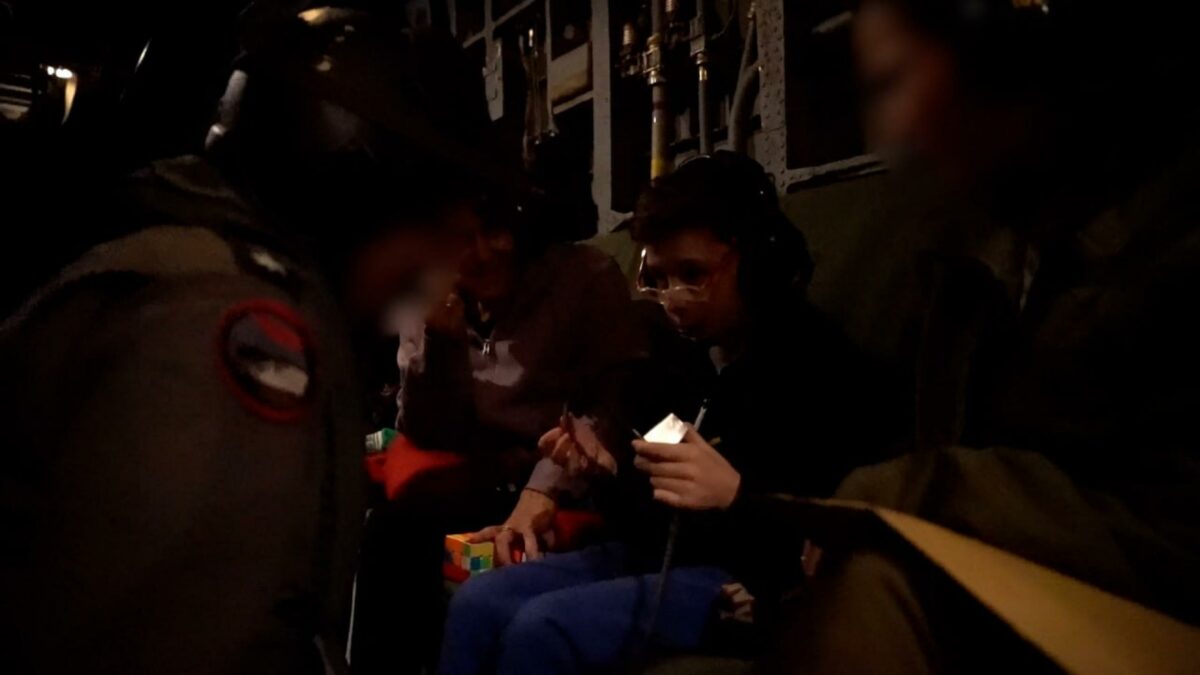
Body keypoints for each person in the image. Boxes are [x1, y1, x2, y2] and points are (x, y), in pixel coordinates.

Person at [0, 8, 512, 673]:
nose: (448, 262)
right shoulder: (229, 325)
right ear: (360, 196)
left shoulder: (193, 264)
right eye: (439, 225)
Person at [754, 0, 1200, 672]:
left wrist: (907, 492)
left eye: (894, 82)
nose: (886, 130)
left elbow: (1175, 520)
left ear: (1001, 51)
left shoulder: (1168, 225)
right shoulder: (969, 256)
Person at [438, 151, 901, 675]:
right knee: (478, 603)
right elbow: (646, 518)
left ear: (757, 264)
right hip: (654, 555)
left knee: (543, 628)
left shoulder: (824, 369)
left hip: (739, 574)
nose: (673, 299)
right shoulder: (674, 357)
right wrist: (605, 472)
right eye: (658, 277)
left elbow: (830, 534)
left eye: (693, 274)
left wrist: (737, 496)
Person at [349, 128, 644, 675]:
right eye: (461, 240)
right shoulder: (430, 289)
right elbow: (426, 433)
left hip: (568, 482)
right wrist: (439, 343)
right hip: (480, 478)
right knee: (389, 535)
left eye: (496, 231)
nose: (483, 254)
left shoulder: (584, 279)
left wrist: (543, 488)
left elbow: (615, 399)